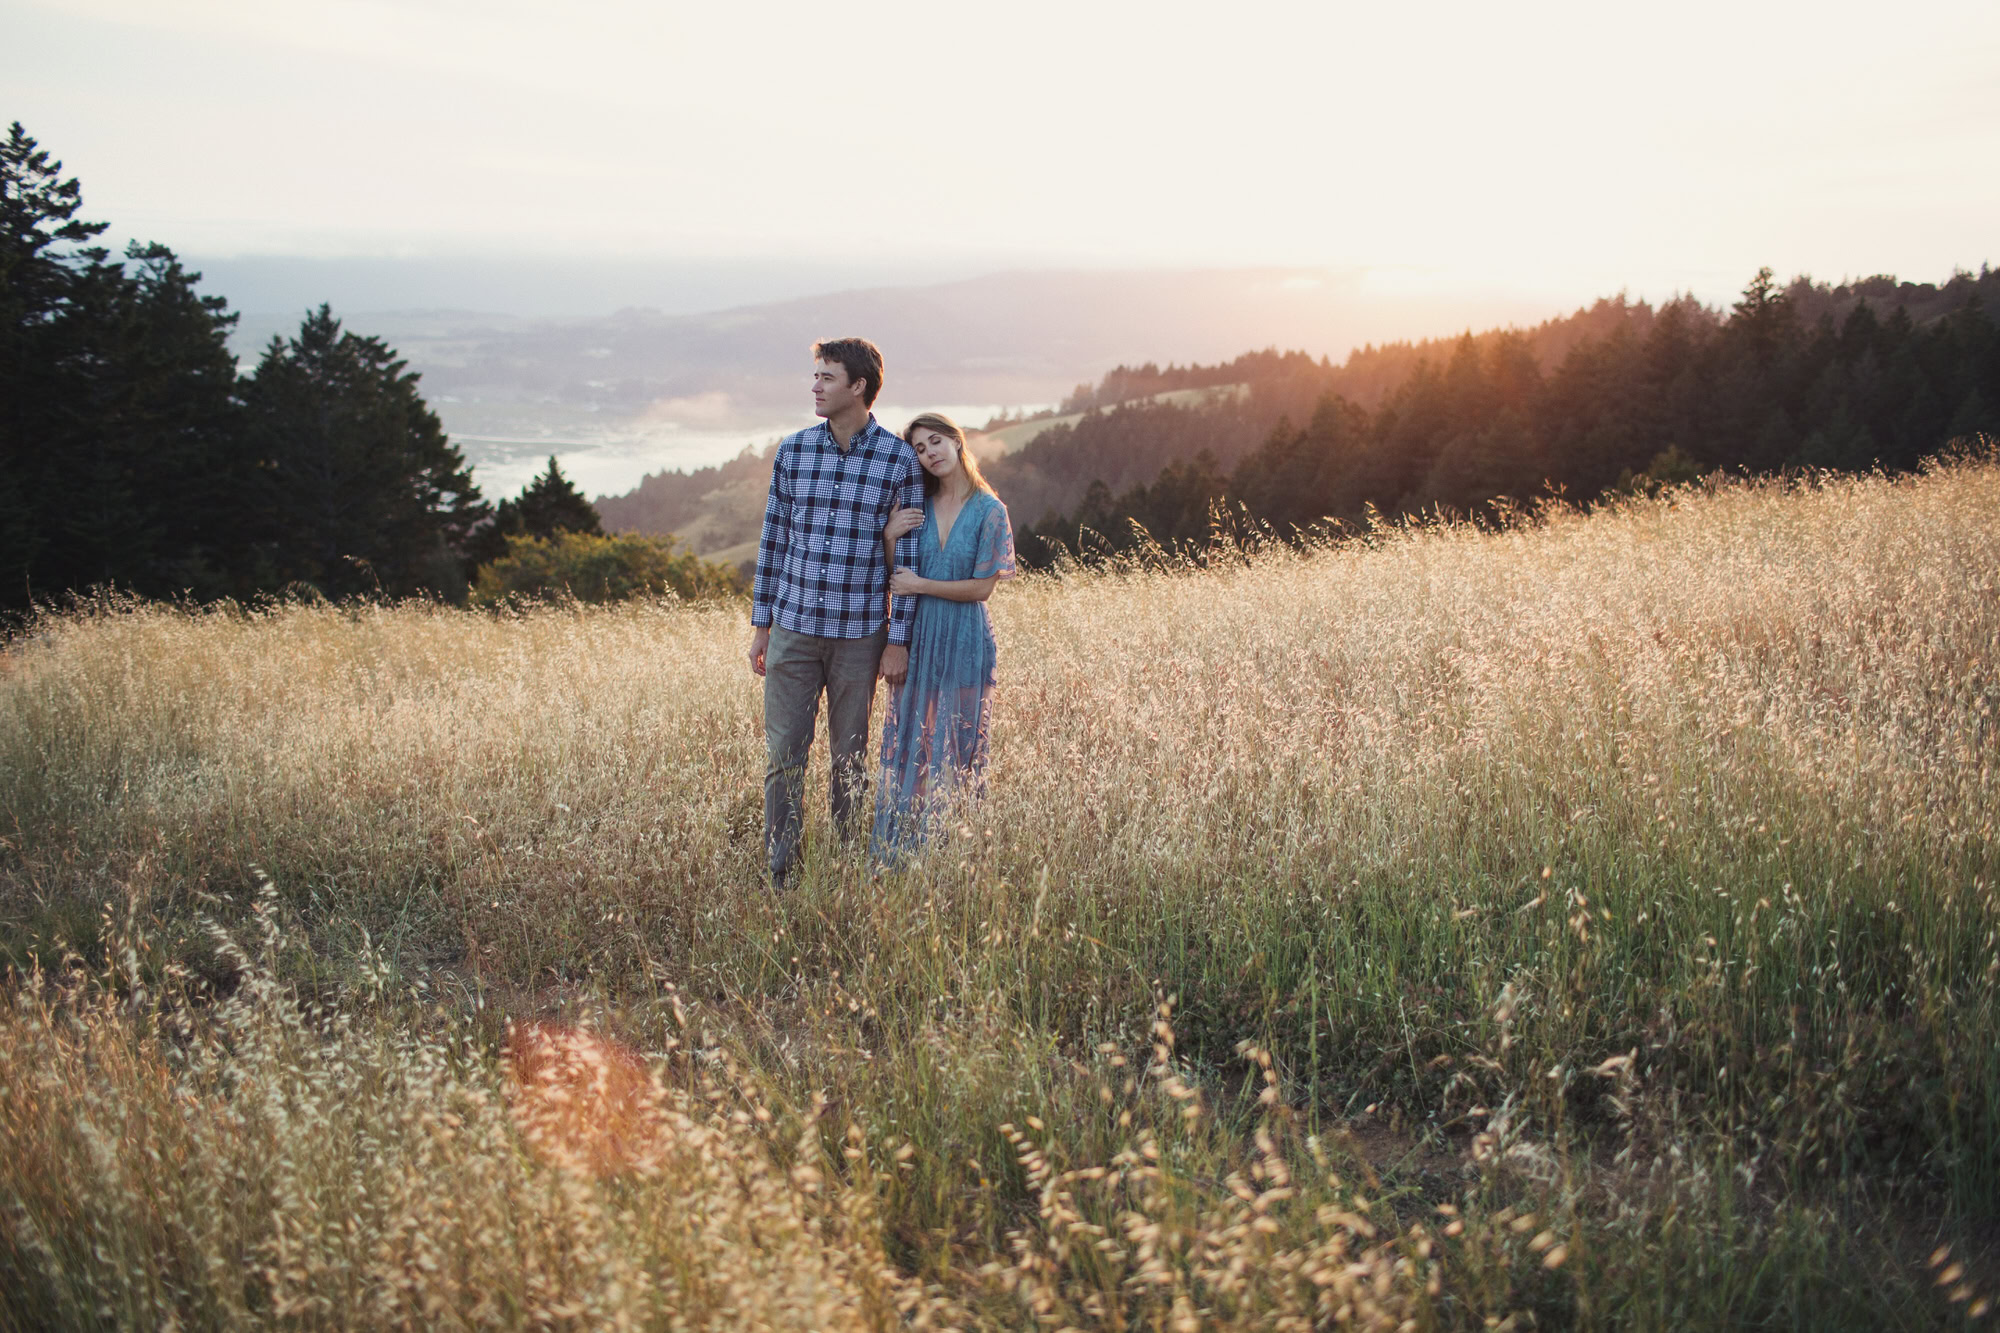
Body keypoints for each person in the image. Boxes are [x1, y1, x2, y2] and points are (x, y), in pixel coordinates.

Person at [749, 338, 925, 890]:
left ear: (859, 387)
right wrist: (762, 626)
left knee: (849, 759)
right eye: (815, 375)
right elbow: (773, 541)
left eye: (827, 377)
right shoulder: (794, 451)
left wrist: (897, 640)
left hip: (859, 636)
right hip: (794, 630)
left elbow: (910, 559)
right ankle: (783, 873)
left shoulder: (899, 460)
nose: (815, 386)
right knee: (783, 757)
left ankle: (846, 870)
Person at [870, 412, 1016, 862]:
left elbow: (982, 587)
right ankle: (903, 852)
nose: (929, 453)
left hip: (966, 637)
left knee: (961, 746)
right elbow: (899, 573)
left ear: (957, 442)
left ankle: (956, 853)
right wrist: (890, 536)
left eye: (935, 442)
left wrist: (922, 586)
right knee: (914, 739)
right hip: (919, 635)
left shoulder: (990, 510)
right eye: (918, 448)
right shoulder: (917, 505)